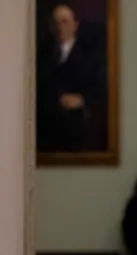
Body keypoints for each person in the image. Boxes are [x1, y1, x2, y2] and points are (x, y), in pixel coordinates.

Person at [36, 4, 103, 152]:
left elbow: (100, 87)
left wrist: (82, 99)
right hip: (46, 128)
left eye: (64, 22)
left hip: (78, 128)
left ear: (75, 25)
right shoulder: (42, 54)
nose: (60, 27)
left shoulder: (89, 54)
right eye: (56, 23)